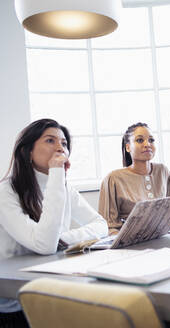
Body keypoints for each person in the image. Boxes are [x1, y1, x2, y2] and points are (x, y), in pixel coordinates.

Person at [0, 119, 108, 326]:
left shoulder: (64, 188)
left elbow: (100, 224)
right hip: (13, 305)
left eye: (64, 143)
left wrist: (64, 238)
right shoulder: (6, 191)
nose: (60, 147)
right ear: (28, 151)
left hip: (49, 288)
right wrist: (57, 173)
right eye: (50, 140)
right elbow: (45, 245)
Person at [98, 122, 170, 234]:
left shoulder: (163, 171)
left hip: (162, 237)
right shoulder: (113, 179)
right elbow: (108, 226)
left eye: (151, 140)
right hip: (129, 244)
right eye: (140, 140)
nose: (147, 144)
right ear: (128, 147)